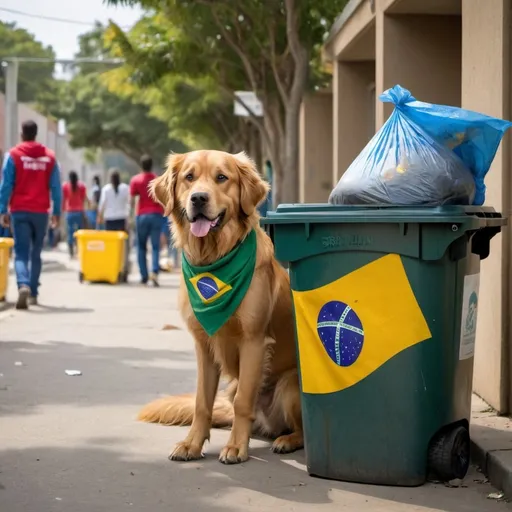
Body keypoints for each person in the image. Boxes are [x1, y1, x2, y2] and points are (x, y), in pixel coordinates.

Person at [0, 120, 61, 309]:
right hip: (41, 212)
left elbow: (6, 185)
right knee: (36, 253)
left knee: (20, 253)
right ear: (36, 134)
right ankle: (33, 293)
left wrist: (2, 209)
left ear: (22, 134)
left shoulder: (13, 155)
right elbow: (57, 188)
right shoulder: (50, 158)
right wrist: (56, 212)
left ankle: (23, 284)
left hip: (19, 211)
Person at [130, 154, 163, 286]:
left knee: (141, 247)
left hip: (142, 216)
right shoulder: (157, 180)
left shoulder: (135, 180)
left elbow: (131, 200)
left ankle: (144, 275)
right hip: (156, 215)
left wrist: (131, 217)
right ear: (152, 165)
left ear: (141, 165)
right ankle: (154, 272)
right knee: (155, 247)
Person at [98, 169, 130, 278]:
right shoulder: (125, 188)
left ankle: (111, 268)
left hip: (110, 220)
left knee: (111, 246)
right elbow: (129, 203)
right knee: (123, 247)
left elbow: (102, 204)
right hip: (121, 219)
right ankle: (123, 269)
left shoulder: (106, 189)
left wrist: (99, 217)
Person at [62, 171, 88, 258]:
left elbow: (64, 199)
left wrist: (62, 210)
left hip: (69, 212)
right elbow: (84, 199)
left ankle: (71, 252)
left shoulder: (65, 186)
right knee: (80, 231)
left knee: (70, 231)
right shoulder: (81, 186)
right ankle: (79, 249)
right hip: (79, 211)